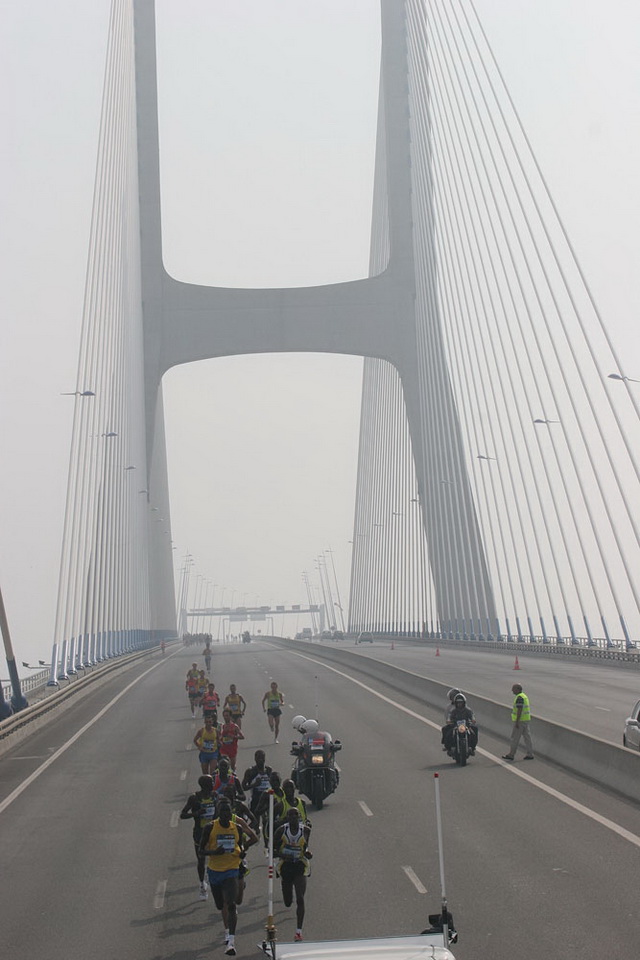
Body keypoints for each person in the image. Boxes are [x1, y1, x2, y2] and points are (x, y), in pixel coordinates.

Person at [199, 795, 259, 956]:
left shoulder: (237, 828)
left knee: (231, 904)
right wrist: (214, 852)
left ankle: (231, 941)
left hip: (232, 870)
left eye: (227, 811)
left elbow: (240, 846)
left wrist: (241, 853)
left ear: (231, 811)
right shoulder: (210, 828)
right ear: (218, 812)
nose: (225, 814)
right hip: (214, 872)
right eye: (222, 811)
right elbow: (201, 851)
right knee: (220, 905)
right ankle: (228, 931)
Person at [273, 806, 312, 942]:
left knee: (300, 898)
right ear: (287, 818)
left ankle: (298, 931)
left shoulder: (305, 830)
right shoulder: (281, 831)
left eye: (296, 815)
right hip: (286, 866)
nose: (294, 818)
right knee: (288, 901)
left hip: (300, 865)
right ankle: (286, 891)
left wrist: (307, 852)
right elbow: (273, 850)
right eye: (291, 816)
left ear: (299, 817)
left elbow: (306, 845)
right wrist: (283, 854)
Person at [180, 774, 218, 900]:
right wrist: (196, 813)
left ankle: (214, 880)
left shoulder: (215, 796)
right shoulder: (194, 798)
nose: (214, 783)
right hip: (199, 833)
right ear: (205, 784)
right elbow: (183, 814)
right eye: (211, 781)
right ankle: (202, 884)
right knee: (201, 859)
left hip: (213, 832)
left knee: (215, 856)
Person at [502, 683, 534, 761]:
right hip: (526, 720)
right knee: (527, 738)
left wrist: (517, 722)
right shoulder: (524, 696)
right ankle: (530, 754)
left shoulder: (519, 697)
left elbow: (519, 710)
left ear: (518, 689)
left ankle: (511, 754)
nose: (512, 690)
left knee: (514, 738)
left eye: (513, 689)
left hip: (520, 721)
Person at [242, 750, 273, 819]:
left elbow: (273, 783)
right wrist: (254, 785)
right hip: (256, 798)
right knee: (255, 820)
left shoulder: (268, 770)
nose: (260, 760)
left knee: (268, 819)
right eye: (258, 757)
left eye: (262, 757)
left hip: (267, 798)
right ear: (255, 759)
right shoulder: (250, 771)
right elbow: (243, 787)